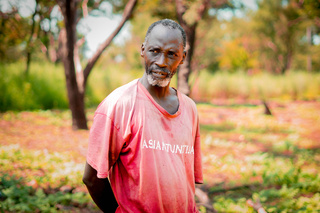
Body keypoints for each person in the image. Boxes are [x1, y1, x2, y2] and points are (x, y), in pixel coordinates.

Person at [82, 19, 203, 213]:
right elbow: (92, 178)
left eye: (172, 54)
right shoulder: (119, 105)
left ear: (183, 57)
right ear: (143, 50)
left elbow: (185, 178)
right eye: (154, 51)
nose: (162, 62)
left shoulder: (189, 108)